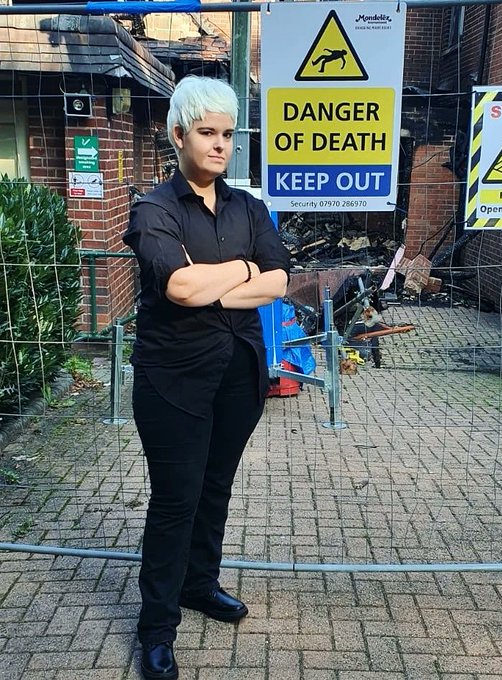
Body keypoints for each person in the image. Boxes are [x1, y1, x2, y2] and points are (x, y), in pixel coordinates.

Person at [123, 75, 290, 680]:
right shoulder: (154, 210)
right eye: (207, 132)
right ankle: (156, 628)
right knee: (176, 499)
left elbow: (278, 280)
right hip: (173, 380)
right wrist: (245, 268)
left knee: (215, 487)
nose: (221, 145)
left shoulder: (248, 207)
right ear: (178, 135)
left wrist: (222, 276)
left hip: (239, 373)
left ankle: (199, 584)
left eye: (228, 133)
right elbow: (179, 286)